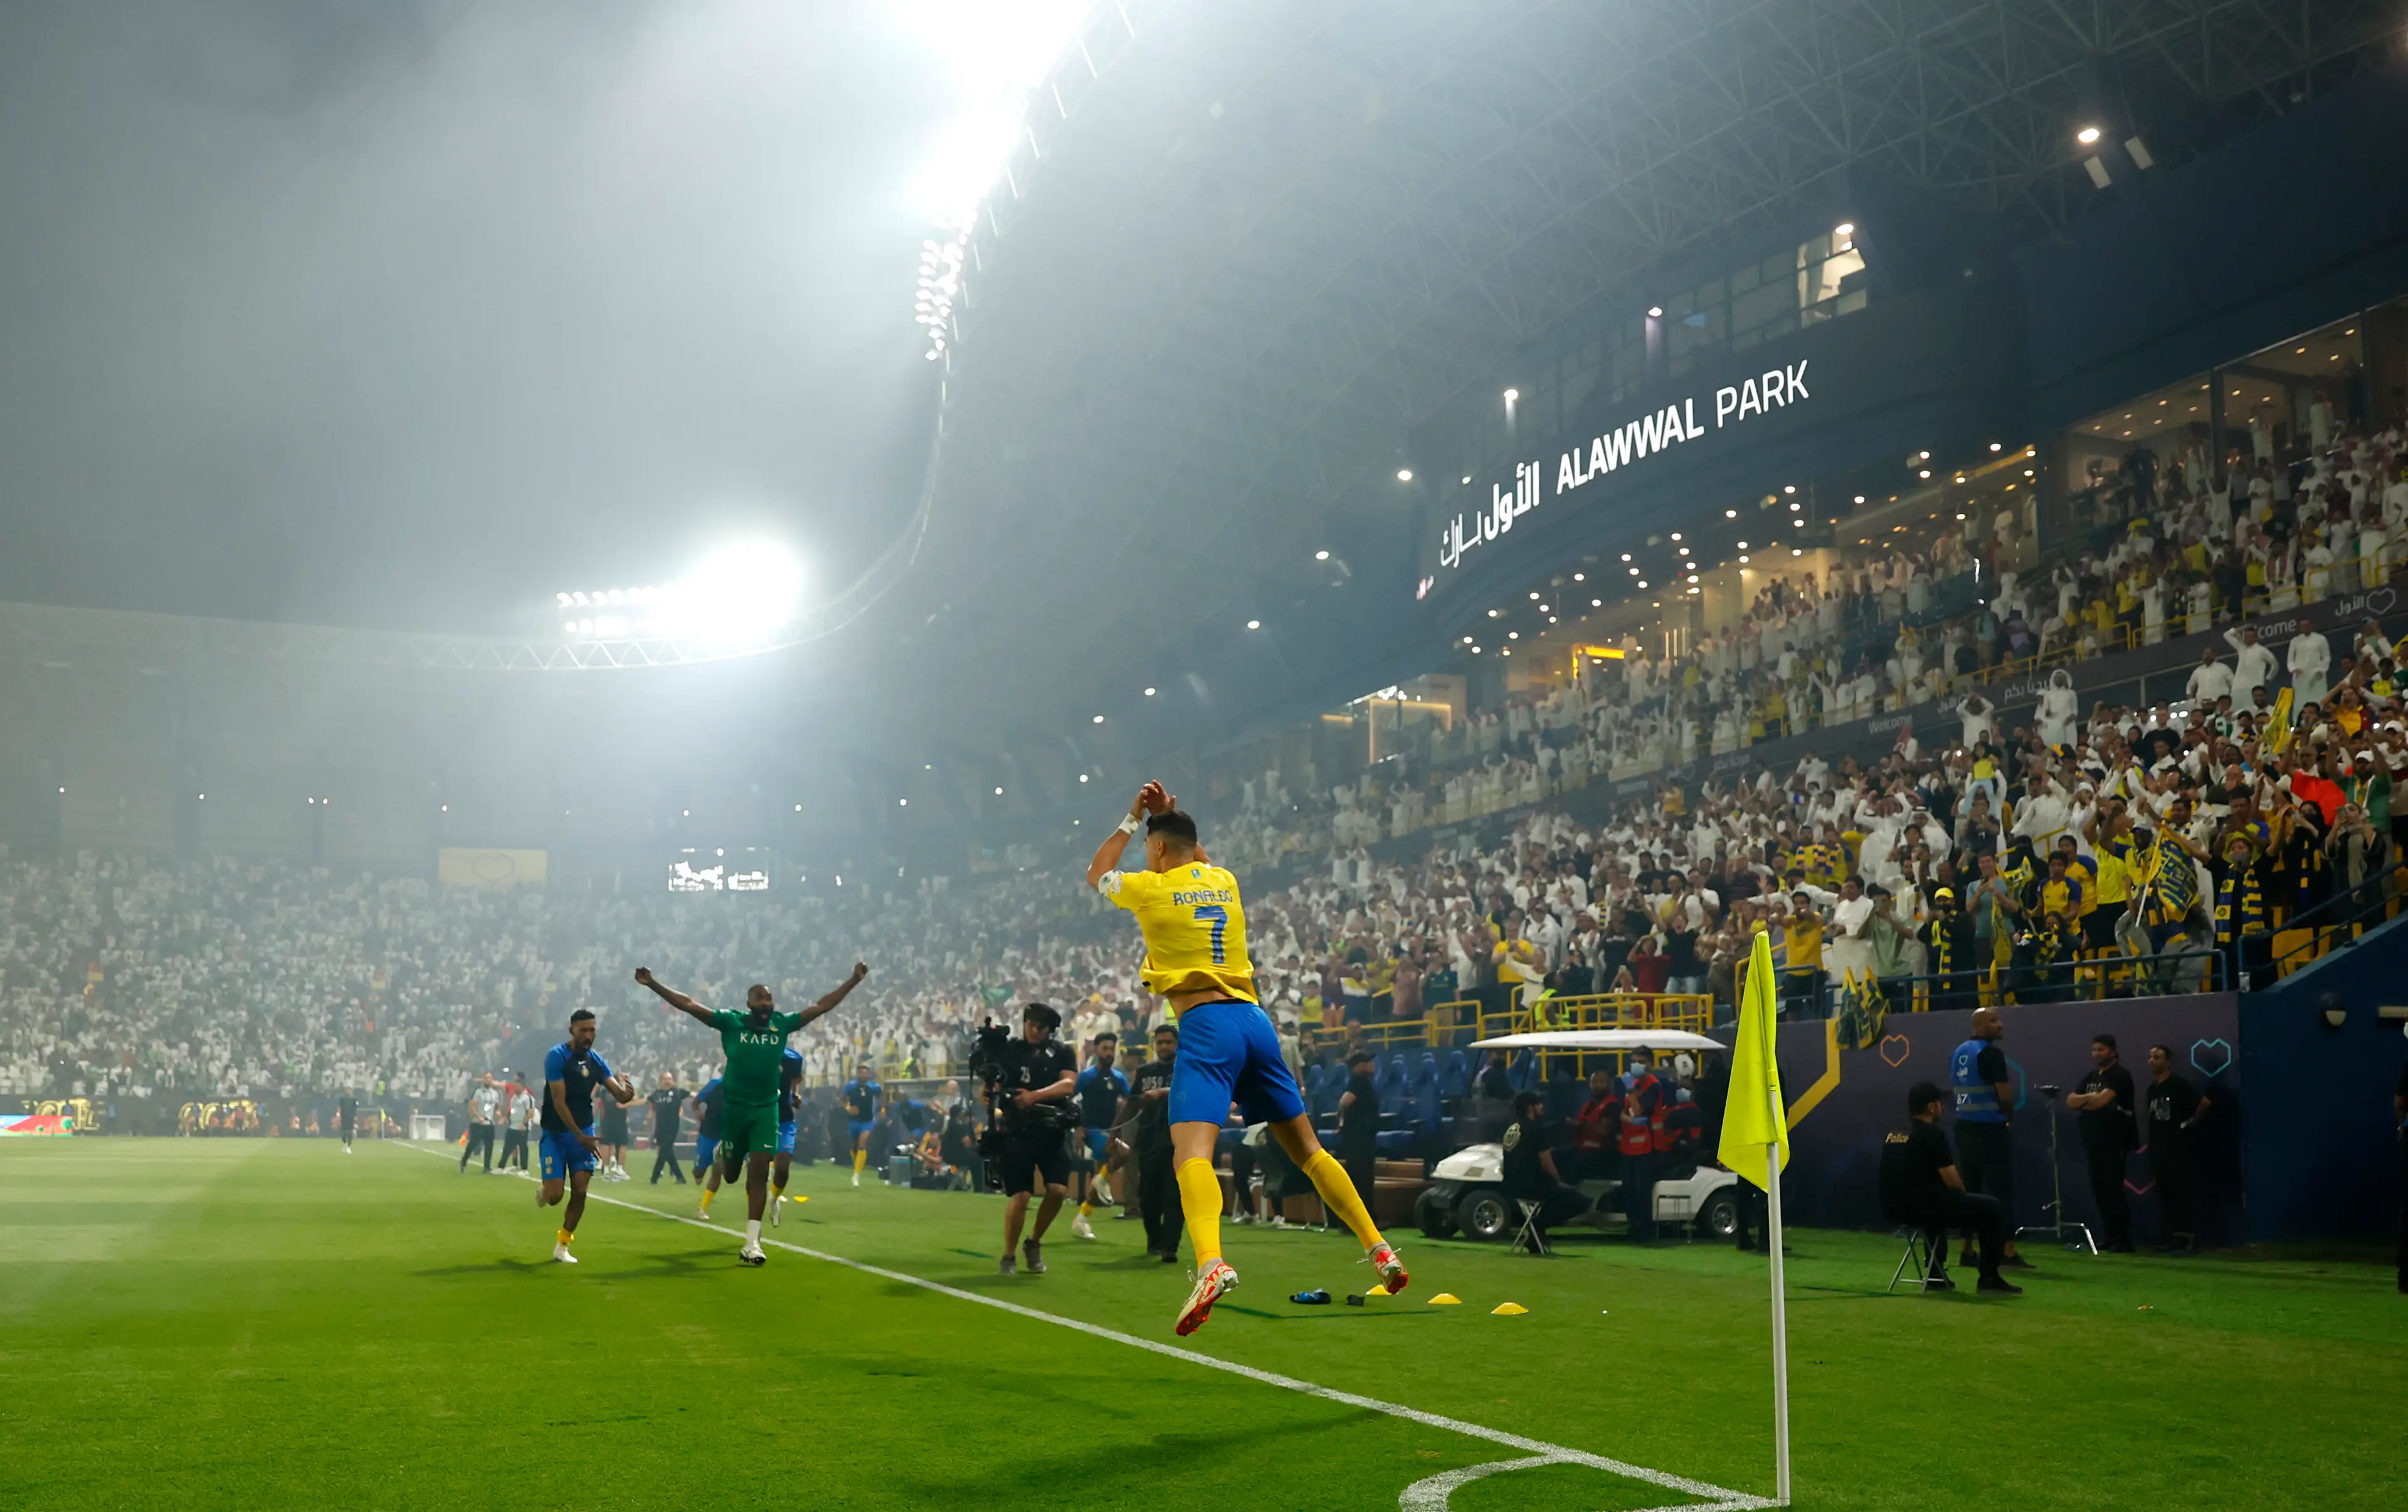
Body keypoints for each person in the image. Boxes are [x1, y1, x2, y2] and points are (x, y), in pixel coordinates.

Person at [1085, 781, 1408, 1336]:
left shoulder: (1149, 888)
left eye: (1149, 846)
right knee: (1309, 1149)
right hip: (1257, 1023)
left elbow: (1097, 871)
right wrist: (1167, 817)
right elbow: (1197, 856)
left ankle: (1211, 1262)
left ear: (1159, 849)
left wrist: (1131, 817)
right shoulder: (1223, 881)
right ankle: (1379, 1249)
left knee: (1192, 1154)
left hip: (1206, 1025)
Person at [636, 963, 870, 1266]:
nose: (765, 1006)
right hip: (735, 1110)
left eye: (769, 1000)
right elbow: (690, 1005)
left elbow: (821, 1006)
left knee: (760, 1168)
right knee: (731, 1175)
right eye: (759, 1001)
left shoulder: (781, 1024)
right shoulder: (732, 1022)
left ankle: (752, 1243)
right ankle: (724, 1154)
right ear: (749, 1005)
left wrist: (853, 979)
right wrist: (653, 983)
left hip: (766, 1109)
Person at [1877, 1081, 2022, 1295]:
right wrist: (1965, 1200)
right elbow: (1952, 1181)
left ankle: (1935, 1274)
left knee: (1933, 1204)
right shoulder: (1933, 1135)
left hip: (1894, 1210)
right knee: (1992, 1208)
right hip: (1925, 1209)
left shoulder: (1895, 1134)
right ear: (1932, 1107)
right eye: (1940, 1103)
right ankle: (1989, 1278)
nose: (1943, 1107)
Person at [536, 1009, 636, 1265]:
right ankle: (546, 1188)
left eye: (592, 1030)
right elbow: (558, 1102)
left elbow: (619, 1094)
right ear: (572, 1031)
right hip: (557, 1135)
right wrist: (578, 1134)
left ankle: (563, 1245)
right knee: (555, 1197)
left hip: (584, 1135)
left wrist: (627, 1092)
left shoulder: (597, 1062)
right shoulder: (557, 1057)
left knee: (580, 1193)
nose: (588, 1035)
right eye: (583, 1030)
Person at [989, 1002, 1079, 1275]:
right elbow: (994, 1082)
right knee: (1022, 1195)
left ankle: (1034, 1241)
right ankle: (1008, 1255)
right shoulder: (1010, 1050)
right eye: (1030, 1024)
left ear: (1051, 1030)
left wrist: (1034, 1096)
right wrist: (990, 1092)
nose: (1034, 1030)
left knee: (1059, 1191)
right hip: (1018, 1130)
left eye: (1041, 1027)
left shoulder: (1063, 1052)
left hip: (1052, 1129)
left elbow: (1069, 1084)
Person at [1948, 1008, 2028, 1269]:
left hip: (1964, 1129)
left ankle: (1967, 1251)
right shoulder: (1991, 1054)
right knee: (2002, 1192)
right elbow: (2004, 1096)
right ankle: (2007, 1252)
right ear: (1980, 1026)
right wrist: (2009, 1116)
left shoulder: (1959, 1051)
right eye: (1994, 1021)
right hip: (1990, 1132)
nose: (2000, 1025)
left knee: (1969, 1192)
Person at [2064, 1034, 2137, 1252]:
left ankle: (2123, 1241)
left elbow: (2101, 1102)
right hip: (2093, 1140)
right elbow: (2070, 1100)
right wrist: (2090, 1098)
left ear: (2113, 1051)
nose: (2097, 1053)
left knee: (2113, 1189)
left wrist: (2086, 1101)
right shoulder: (2091, 1076)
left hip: (2114, 1140)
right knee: (2100, 1191)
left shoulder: (2120, 1075)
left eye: (2102, 1049)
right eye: (2095, 1049)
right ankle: (2109, 1236)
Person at [1116, 1024, 1182, 1262]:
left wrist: (1161, 1093)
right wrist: (1116, 1132)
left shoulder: (1188, 1069)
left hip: (1179, 1142)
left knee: (1174, 1196)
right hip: (1149, 1141)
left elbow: (1185, 1090)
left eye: (1169, 1042)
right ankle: (1154, 1240)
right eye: (1160, 1042)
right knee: (1148, 1197)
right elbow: (1131, 1103)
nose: (1164, 1047)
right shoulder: (1144, 1073)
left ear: (1177, 1044)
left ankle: (1170, 1247)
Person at [2144, 1044, 2212, 1254]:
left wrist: (2191, 1123)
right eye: (2151, 1057)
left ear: (2168, 1061)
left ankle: (2188, 1238)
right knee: (2166, 1194)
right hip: (2158, 1147)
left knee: (2181, 1192)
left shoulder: (2178, 1084)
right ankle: (2174, 1237)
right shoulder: (2152, 1089)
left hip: (2178, 1148)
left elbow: (2205, 1103)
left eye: (2157, 1057)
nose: (2152, 1060)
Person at [1500, 1090, 1588, 1250]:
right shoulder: (1536, 1129)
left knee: (1553, 1200)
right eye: (1539, 1104)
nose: (1542, 1107)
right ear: (1530, 1107)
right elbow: (1546, 1161)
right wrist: (1558, 1181)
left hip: (1511, 1184)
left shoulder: (1512, 1128)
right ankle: (1537, 1228)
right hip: (1533, 1184)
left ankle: (1535, 1236)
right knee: (1579, 1201)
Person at [1070, 1032, 1127, 1241]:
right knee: (1124, 1153)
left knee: (1098, 1182)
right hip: (1092, 1131)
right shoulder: (1087, 1076)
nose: (1109, 1053)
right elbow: (1069, 1099)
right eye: (1105, 1049)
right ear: (1096, 1050)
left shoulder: (1119, 1078)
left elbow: (1131, 1100)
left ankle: (1082, 1218)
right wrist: (1077, 1127)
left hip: (1112, 1131)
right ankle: (1101, 1181)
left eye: (1112, 1049)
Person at [1615, 1050, 1664, 1242]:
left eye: (1641, 1061)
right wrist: (1628, 1119)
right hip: (1629, 1145)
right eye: (1634, 1061)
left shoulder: (1653, 1086)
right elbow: (1625, 1112)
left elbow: (1639, 1111)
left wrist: (1630, 1093)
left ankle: (1645, 1230)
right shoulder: (1634, 1084)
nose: (1636, 1065)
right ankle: (1634, 1226)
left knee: (1643, 1189)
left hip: (1648, 1145)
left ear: (1650, 1065)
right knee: (1628, 1188)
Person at [1337, 1049, 1381, 1225]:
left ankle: (1359, 1219)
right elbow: (1344, 1102)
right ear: (1360, 1066)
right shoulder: (1360, 1080)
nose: (1373, 1064)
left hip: (1358, 1136)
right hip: (1360, 1138)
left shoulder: (1360, 1081)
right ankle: (1364, 1220)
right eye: (1369, 1061)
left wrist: (1341, 1123)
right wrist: (1343, 1122)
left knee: (1360, 1177)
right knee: (1362, 1178)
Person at [770, 1047, 806, 1224]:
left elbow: (797, 1078)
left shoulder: (793, 1058)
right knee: (756, 1169)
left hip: (784, 1118)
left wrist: (794, 1093)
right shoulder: (755, 1049)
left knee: (783, 1169)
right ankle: (754, 1227)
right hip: (762, 1116)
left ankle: (774, 1199)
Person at [840, 1062, 882, 1188]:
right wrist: (848, 1108)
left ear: (869, 1075)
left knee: (862, 1144)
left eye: (866, 1073)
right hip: (854, 1120)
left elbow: (882, 1097)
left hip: (867, 1120)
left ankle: (856, 1175)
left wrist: (882, 1110)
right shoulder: (851, 1087)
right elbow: (842, 1100)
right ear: (858, 1074)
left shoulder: (874, 1087)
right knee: (854, 1147)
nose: (864, 1075)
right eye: (861, 1072)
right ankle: (857, 1166)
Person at [691, 1072, 725, 1219]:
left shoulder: (743, 1087)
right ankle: (699, 1170)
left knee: (718, 1172)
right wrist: (698, 1112)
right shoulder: (715, 1084)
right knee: (699, 1173)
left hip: (726, 1135)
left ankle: (703, 1209)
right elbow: (695, 1103)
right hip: (708, 1133)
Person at [645, 1072, 689, 1185]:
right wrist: (627, 1104)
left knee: (663, 1152)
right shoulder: (657, 1094)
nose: (668, 1081)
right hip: (660, 1128)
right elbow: (645, 1101)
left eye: (670, 1078)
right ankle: (680, 1177)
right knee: (668, 1153)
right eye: (665, 1079)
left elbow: (695, 1095)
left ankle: (654, 1178)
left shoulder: (678, 1092)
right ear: (661, 1081)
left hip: (672, 1128)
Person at [461, 1073, 501, 1175]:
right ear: (484, 1080)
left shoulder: (495, 1093)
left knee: (489, 1146)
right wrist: (478, 1117)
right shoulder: (478, 1092)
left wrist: (497, 1112)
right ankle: (464, 1160)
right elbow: (472, 1106)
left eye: (490, 1078)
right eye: (487, 1078)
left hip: (489, 1122)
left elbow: (497, 1106)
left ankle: (487, 1167)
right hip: (478, 1123)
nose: (488, 1080)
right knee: (473, 1143)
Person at [597, 1070, 633, 1182]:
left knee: (606, 1144)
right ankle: (619, 1169)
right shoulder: (622, 1089)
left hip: (607, 1120)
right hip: (620, 1121)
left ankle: (606, 1170)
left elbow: (598, 1103)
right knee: (622, 1144)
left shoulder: (603, 1090)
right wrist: (627, 1082)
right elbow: (630, 1098)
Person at [500, 1078, 536, 1171]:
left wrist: (524, 1123)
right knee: (508, 1147)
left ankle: (524, 1169)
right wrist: (508, 1119)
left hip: (522, 1127)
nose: (514, 1088)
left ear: (521, 1085)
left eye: (516, 1086)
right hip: (513, 1126)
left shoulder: (528, 1097)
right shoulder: (514, 1098)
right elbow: (512, 1110)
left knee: (523, 1147)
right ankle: (501, 1166)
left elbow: (531, 1112)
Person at [336, 1087, 357, 1153]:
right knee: (343, 1132)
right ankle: (345, 1144)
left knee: (350, 1132)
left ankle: (348, 1146)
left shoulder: (354, 1100)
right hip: (344, 1117)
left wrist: (356, 1116)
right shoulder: (342, 1100)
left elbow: (356, 1109)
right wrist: (339, 1115)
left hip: (351, 1118)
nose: (348, 1092)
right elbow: (340, 1108)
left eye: (349, 1091)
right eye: (347, 1091)